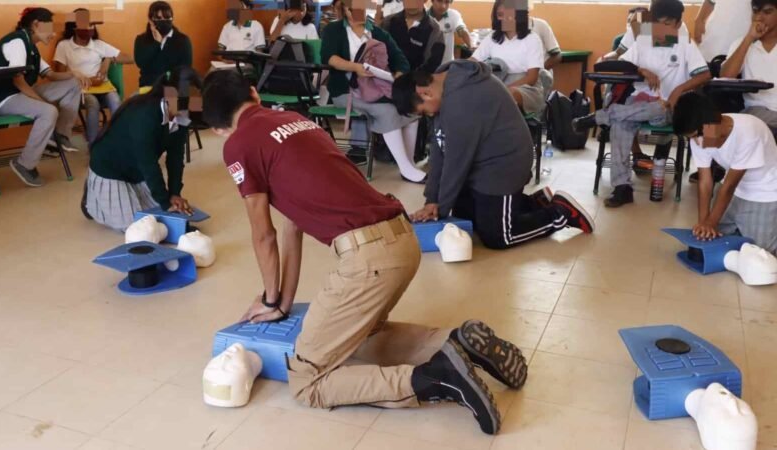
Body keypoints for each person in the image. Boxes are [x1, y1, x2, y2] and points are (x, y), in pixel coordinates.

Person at [202, 68, 530, 436]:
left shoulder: (238, 144)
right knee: (359, 340)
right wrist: (280, 302)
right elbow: (291, 227)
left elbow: (263, 235)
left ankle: (435, 379)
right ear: (253, 93)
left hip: (369, 258)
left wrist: (270, 297)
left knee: (308, 381)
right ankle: (456, 344)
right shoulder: (293, 120)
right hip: (402, 240)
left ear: (217, 129)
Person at [393, 61, 595, 249]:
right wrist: (431, 200)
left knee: (498, 235)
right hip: (481, 161)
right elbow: (439, 148)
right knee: (468, 220)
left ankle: (560, 213)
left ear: (425, 93)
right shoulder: (443, 84)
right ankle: (534, 203)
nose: (428, 116)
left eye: (423, 112)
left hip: (505, 164)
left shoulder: (461, 102)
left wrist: (440, 211)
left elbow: (456, 163)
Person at [573, 0, 711, 208]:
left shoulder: (685, 44)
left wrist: (678, 90)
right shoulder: (643, 40)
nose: (660, 29)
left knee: (657, 107)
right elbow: (623, 63)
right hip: (635, 105)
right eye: (656, 23)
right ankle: (623, 188)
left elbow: (705, 75)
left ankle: (600, 116)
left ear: (677, 23)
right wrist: (641, 71)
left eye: (667, 24)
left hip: (667, 106)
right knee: (621, 124)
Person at [82, 67, 200, 231]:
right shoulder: (145, 114)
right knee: (136, 227)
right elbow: (148, 163)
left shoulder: (181, 115)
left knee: (155, 216)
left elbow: (175, 156)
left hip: (136, 170)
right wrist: (165, 202)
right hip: (110, 169)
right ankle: (91, 201)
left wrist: (174, 193)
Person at [321, 0, 427, 183]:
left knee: (411, 108)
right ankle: (406, 169)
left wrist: (398, 76)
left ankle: (407, 163)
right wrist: (355, 67)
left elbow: (399, 59)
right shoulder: (334, 29)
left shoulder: (377, 32)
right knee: (387, 110)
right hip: (346, 91)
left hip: (376, 88)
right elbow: (329, 57)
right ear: (345, 9)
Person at [0, 7, 84, 188]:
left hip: (22, 93)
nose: (53, 34)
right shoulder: (17, 42)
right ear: (36, 25)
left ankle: (59, 136)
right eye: (50, 28)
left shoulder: (32, 47)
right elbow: (18, 81)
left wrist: (74, 74)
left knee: (73, 84)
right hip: (5, 98)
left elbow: (51, 75)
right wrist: (44, 102)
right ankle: (24, 164)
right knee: (48, 111)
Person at [674, 92, 777, 254]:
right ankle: (741, 227)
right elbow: (705, 182)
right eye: (691, 138)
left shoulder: (749, 131)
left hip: (764, 192)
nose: (695, 142)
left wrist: (711, 223)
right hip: (735, 191)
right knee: (713, 239)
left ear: (711, 122)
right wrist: (704, 224)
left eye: (695, 136)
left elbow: (729, 186)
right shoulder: (700, 135)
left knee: (761, 253)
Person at [53, 8, 134, 145]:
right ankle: (94, 145)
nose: (89, 28)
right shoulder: (64, 45)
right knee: (93, 104)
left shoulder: (98, 44)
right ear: (73, 26)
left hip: (103, 86)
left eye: (91, 25)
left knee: (115, 101)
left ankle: (120, 142)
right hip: (81, 89)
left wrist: (108, 59)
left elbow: (129, 59)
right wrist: (82, 79)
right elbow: (59, 74)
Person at [470, 0, 546, 115]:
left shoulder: (532, 39)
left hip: (526, 88)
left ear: (519, 14)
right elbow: (473, 61)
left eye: (509, 14)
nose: (505, 18)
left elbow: (532, 78)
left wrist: (502, 89)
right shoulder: (492, 38)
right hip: (498, 84)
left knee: (509, 94)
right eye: (500, 15)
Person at [721, 0, 777, 136]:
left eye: (767, 12)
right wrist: (749, 38)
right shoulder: (742, 44)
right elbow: (725, 77)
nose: (759, 17)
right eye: (756, 11)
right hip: (756, 111)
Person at [134, 1, 193, 91]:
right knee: (132, 103)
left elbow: (185, 69)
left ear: (172, 18)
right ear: (150, 20)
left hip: (173, 88)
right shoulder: (141, 39)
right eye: (159, 18)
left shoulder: (182, 40)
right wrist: (156, 43)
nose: (163, 21)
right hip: (149, 88)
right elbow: (141, 62)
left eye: (167, 17)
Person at [382, 0, 445, 72]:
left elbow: (431, 65)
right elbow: (377, 50)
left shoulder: (435, 30)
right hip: (385, 79)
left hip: (415, 81)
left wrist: (406, 77)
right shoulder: (388, 22)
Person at [529, 14, 561, 99]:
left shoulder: (539, 25)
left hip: (540, 80)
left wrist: (538, 71)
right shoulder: (502, 31)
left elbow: (557, 56)